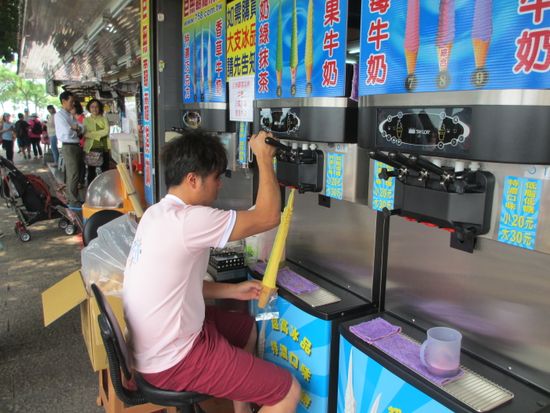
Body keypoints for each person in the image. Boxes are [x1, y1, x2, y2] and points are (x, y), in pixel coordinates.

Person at [123, 130, 301, 413]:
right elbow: (268, 217)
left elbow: (177, 285)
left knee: (246, 330)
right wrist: (264, 158)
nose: (220, 185)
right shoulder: (188, 220)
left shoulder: (155, 214)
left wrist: (233, 291)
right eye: (216, 177)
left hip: (154, 348)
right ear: (193, 179)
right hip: (173, 359)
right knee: (287, 391)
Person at [55, 91, 84, 208]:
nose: (73, 104)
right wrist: (76, 130)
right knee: (73, 174)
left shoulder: (69, 115)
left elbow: (82, 128)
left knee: (76, 173)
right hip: (68, 146)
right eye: (71, 102)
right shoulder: (59, 116)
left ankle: (74, 197)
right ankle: (73, 200)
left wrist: (75, 128)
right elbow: (67, 132)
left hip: (75, 145)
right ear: (64, 101)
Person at [83, 98, 111, 185]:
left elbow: (106, 131)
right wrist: (100, 134)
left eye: (96, 107)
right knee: (91, 172)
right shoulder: (86, 120)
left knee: (105, 171)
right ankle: (90, 189)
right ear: (89, 108)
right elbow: (85, 134)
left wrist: (92, 133)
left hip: (104, 148)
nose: (94, 109)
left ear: (100, 108)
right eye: (92, 107)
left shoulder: (104, 118)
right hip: (91, 148)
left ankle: (105, 188)